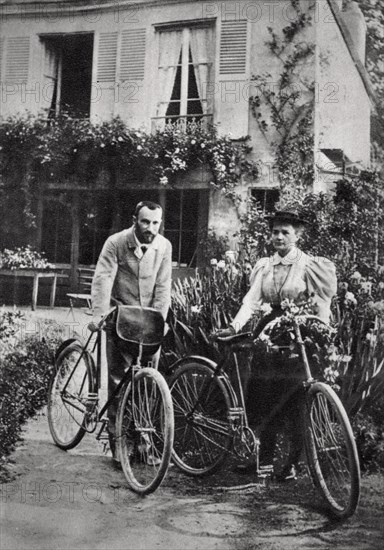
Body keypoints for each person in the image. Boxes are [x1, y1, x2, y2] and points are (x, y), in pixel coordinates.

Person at [215, 210, 337, 477]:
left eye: (285, 232)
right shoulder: (265, 266)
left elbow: (321, 301)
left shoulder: (309, 265)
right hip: (269, 331)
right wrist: (235, 326)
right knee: (262, 396)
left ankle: (291, 464)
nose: (279, 237)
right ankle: (263, 460)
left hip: (298, 332)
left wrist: (324, 330)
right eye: (275, 232)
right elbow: (251, 300)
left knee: (294, 398)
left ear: (297, 235)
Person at [89, 201, 172, 459]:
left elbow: (163, 287)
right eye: (145, 221)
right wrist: (100, 314)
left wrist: (160, 320)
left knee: (148, 381)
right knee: (118, 381)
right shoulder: (116, 242)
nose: (150, 228)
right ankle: (119, 444)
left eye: (156, 222)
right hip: (121, 318)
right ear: (134, 219)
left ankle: (145, 445)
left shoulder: (163, 246)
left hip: (148, 322)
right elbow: (103, 278)